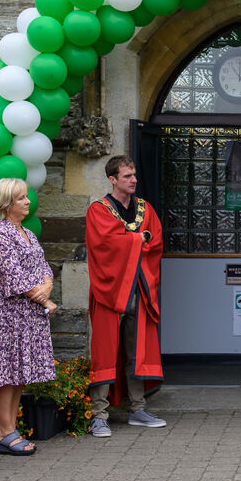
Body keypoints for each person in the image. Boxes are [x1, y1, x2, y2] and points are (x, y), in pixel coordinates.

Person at [85, 155, 166, 438]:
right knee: (104, 352)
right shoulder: (98, 209)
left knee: (136, 351)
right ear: (113, 179)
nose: (133, 180)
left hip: (139, 290)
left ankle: (137, 408)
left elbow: (154, 241)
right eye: (127, 176)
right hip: (110, 292)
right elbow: (104, 243)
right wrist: (136, 239)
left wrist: (132, 240)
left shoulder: (145, 208)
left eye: (134, 175)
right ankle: (99, 414)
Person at [0, 178, 57, 456]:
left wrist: (48, 283)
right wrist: (45, 297)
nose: (27, 202)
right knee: (6, 373)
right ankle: (6, 431)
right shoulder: (1, 233)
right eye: (22, 198)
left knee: (20, 371)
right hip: (11, 314)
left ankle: (10, 429)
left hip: (29, 314)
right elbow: (15, 277)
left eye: (26, 197)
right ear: (7, 203)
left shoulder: (27, 232)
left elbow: (43, 265)